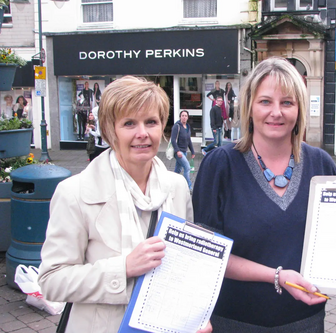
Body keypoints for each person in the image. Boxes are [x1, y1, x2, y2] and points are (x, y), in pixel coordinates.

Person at [38, 76, 212, 333]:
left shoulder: (176, 187)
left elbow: (181, 269)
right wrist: (124, 268)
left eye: (151, 122)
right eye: (129, 123)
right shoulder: (74, 193)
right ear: (110, 131)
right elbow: (51, 281)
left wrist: (194, 314)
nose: (142, 133)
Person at [193, 57, 336, 332]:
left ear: (299, 110)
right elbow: (206, 254)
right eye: (265, 102)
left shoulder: (322, 165)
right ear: (249, 107)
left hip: (305, 322)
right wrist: (277, 276)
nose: (276, 112)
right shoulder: (220, 165)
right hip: (235, 323)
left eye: (287, 102)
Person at [171, 110, 196, 190]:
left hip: (184, 152)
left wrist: (192, 151)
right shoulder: (177, 126)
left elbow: (189, 140)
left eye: (185, 116)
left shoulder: (188, 127)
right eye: (182, 115)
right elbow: (173, 140)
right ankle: (188, 187)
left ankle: (172, 185)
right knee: (187, 167)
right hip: (178, 152)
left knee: (178, 170)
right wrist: (177, 151)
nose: (184, 117)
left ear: (187, 117)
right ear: (180, 117)